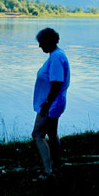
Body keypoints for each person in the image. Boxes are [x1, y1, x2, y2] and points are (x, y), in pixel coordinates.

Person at [32, 27, 70, 180]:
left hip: (51, 105)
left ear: (47, 42)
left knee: (37, 134)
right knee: (52, 135)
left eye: (41, 43)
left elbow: (56, 83)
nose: (39, 46)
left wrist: (46, 104)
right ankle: (57, 165)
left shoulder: (55, 58)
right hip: (55, 103)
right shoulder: (57, 55)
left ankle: (48, 171)